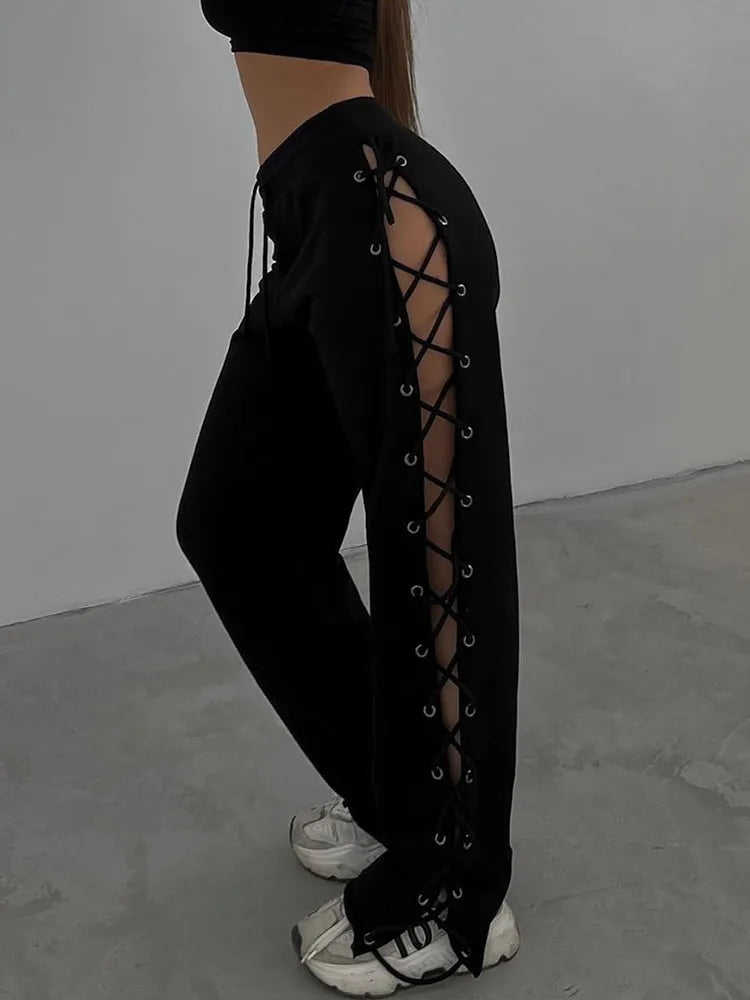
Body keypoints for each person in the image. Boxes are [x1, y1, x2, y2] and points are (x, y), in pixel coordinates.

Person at [175, 0, 521, 994]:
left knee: (440, 572)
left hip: (386, 220)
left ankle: (455, 887)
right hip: (316, 212)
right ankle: (404, 803)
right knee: (239, 526)